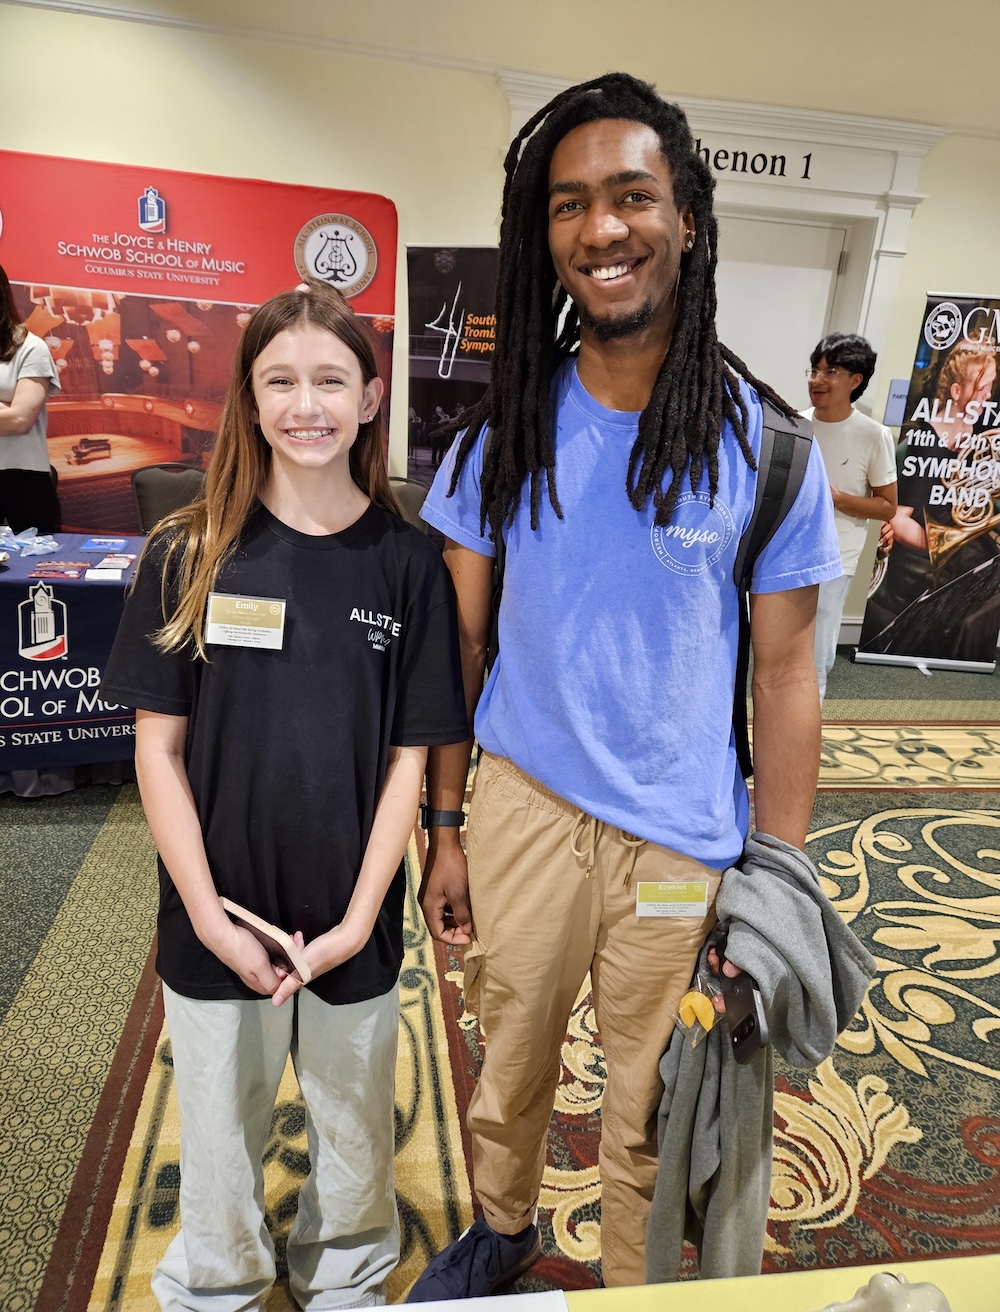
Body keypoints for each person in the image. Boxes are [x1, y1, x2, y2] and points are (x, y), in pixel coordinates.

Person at [407, 73, 841, 1300]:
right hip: (523, 810)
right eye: (569, 206)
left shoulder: (767, 446)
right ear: (541, 238)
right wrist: (446, 828)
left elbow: (787, 670)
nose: (602, 229)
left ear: (686, 217)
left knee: (654, 1095)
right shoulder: (505, 434)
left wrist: (781, 883)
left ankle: (636, 1276)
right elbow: (460, 654)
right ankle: (498, 1230)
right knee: (512, 1058)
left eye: (633, 196)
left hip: (679, 839)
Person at [101, 281, 468, 1311]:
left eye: (329, 379)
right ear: (249, 399)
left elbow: (410, 754)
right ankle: (218, 1280)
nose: (306, 403)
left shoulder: (407, 562)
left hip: (351, 918)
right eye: (280, 380)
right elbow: (157, 754)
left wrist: (360, 919)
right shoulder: (188, 548)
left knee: (354, 1127)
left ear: (369, 394)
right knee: (218, 1122)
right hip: (215, 914)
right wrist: (212, 921)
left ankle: (343, 1273)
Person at [802, 333, 897, 699]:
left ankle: (804, 745)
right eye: (814, 370)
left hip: (834, 558)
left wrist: (835, 498)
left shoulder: (874, 435)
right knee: (772, 653)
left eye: (830, 372)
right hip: (783, 553)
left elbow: (887, 505)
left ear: (855, 380)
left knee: (816, 658)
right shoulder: (795, 422)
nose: (816, 380)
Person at [0, 263, 60, 532]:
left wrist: (10, 413)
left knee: (34, 569)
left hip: (20, 477)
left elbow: (20, 420)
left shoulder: (30, 347)